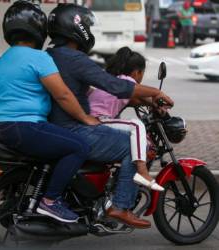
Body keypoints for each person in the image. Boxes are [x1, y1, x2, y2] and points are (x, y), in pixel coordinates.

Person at [47, 3, 174, 229]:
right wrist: (156, 92)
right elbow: (116, 86)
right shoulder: (74, 59)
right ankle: (121, 205)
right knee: (137, 146)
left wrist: (148, 99)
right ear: (76, 28)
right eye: (86, 25)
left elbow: (121, 92)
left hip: (56, 126)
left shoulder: (50, 55)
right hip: (75, 128)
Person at [0, 0, 99, 223]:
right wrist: (86, 118)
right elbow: (63, 95)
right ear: (39, 30)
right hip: (24, 127)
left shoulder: (5, 58)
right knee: (79, 147)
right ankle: (50, 201)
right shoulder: (40, 58)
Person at [88, 46, 164, 192]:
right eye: (142, 73)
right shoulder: (126, 81)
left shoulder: (113, 79)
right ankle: (142, 172)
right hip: (98, 121)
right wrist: (158, 97)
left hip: (94, 120)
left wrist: (151, 103)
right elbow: (136, 93)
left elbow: (135, 99)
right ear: (137, 72)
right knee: (136, 125)